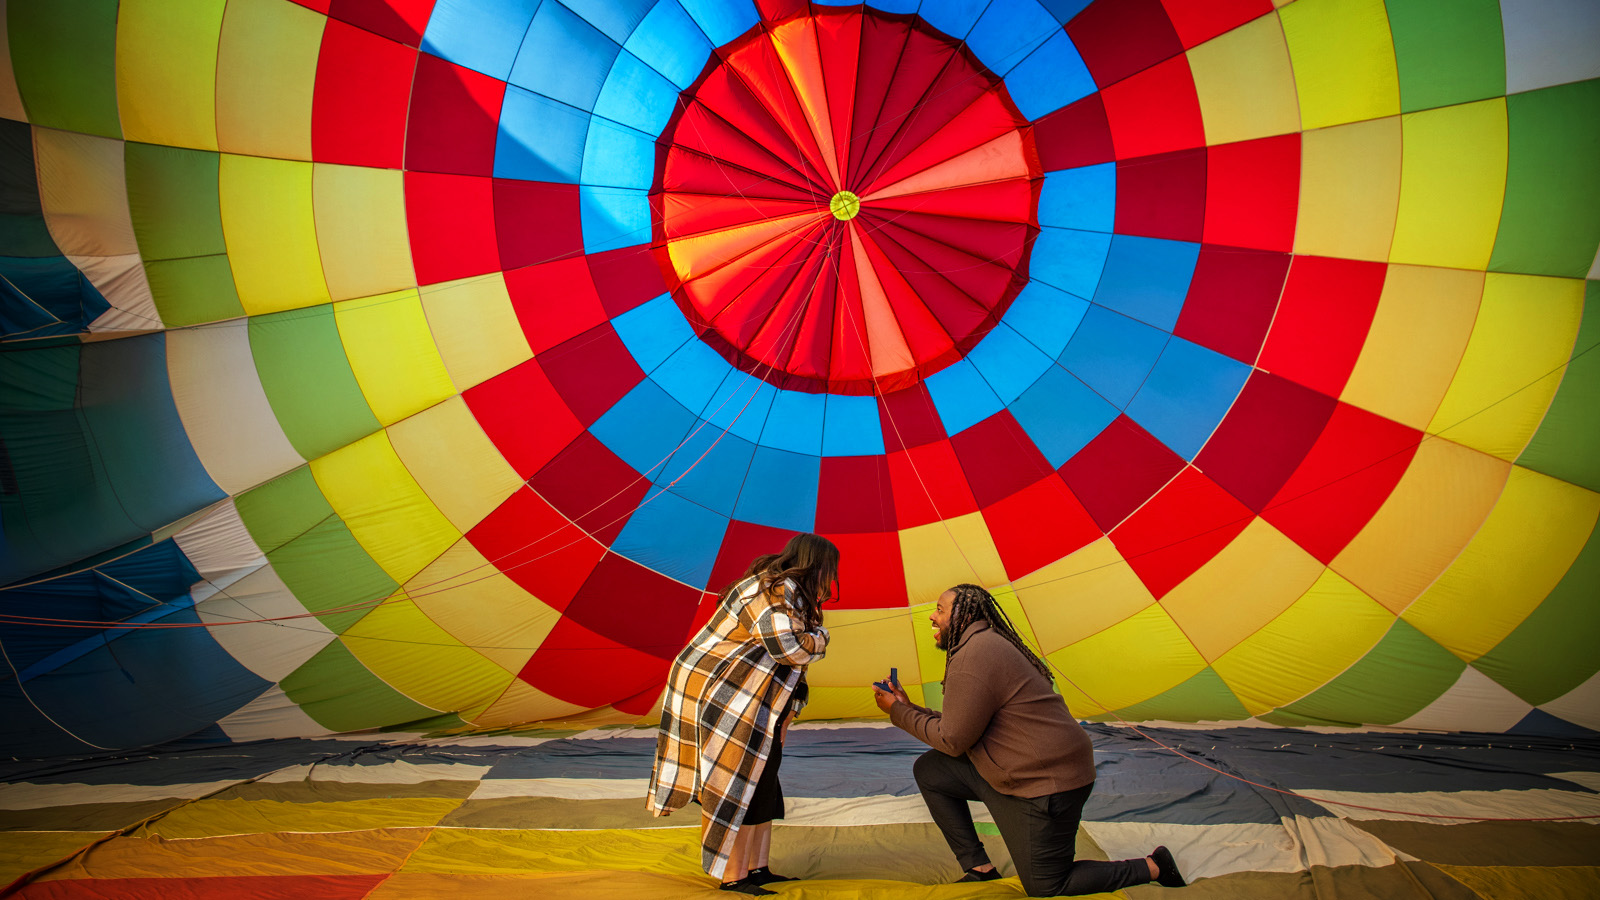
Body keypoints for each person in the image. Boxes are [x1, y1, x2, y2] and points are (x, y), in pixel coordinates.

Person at [873, 583, 1187, 896]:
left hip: (1050, 785)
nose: (932, 616)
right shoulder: (980, 646)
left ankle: (1154, 865)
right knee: (932, 770)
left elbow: (953, 740)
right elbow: (961, 727)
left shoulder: (975, 654)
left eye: (940, 610)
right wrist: (908, 708)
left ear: (964, 615)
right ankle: (980, 870)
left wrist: (897, 714)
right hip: (1017, 773)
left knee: (1046, 885)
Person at [648, 533, 837, 896]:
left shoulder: (791, 596)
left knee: (763, 783)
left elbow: (791, 669)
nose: (829, 580)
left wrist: (787, 714)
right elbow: (789, 649)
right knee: (737, 780)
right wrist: (822, 637)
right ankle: (735, 875)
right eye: (829, 571)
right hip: (722, 692)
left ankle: (757, 868)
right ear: (816, 564)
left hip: (755, 698)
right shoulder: (771, 590)